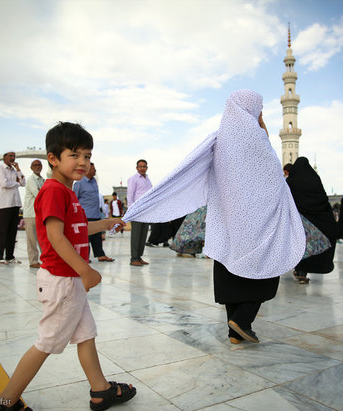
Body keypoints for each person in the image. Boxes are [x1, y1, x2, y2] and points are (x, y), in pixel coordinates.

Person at [122, 90, 306, 344]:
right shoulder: (258, 140)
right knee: (264, 270)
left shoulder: (220, 140)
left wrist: (141, 207)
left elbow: (186, 169)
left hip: (228, 223)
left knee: (231, 272)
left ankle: (235, 331)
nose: (261, 113)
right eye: (259, 108)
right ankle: (242, 321)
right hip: (258, 225)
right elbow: (275, 178)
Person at [0, 121, 135, 411]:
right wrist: (84, 270)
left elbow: (75, 229)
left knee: (85, 335)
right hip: (63, 281)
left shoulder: (67, 192)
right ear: (53, 158)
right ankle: (5, 402)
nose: (83, 162)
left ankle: (100, 390)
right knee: (46, 343)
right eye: (74, 155)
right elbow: (55, 237)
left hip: (69, 282)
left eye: (87, 156)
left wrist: (105, 224)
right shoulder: (54, 190)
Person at [286, 157, 338, 284]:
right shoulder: (315, 179)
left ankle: (300, 270)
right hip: (316, 220)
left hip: (299, 221)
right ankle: (303, 271)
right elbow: (323, 199)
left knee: (300, 246)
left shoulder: (292, 181)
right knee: (310, 246)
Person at [73, 163, 115, 262]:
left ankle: (100, 255)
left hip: (96, 214)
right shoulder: (79, 183)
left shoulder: (94, 181)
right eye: (93, 168)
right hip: (85, 215)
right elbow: (74, 199)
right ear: (87, 169)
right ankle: (85, 257)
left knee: (97, 237)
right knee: (85, 238)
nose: (95, 170)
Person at [0, 151, 26, 264]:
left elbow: (23, 182)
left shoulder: (14, 170)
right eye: (10, 156)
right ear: (4, 157)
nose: (12, 158)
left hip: (15, 203)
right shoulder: (0, 169)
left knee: (12, 231)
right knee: (2, 231)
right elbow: (4, 184)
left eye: (14, 156)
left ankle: (9, 256)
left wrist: (18, 169)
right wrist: (16, 183)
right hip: (4, 204)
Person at [127, 159, 152, 266]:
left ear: (147, 168)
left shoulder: (148, 179)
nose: (142, 168)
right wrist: (130, 210)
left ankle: (139, 256)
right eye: (140, 166)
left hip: (145, 211)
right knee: (136, 235)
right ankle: (134, 258)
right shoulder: (133, 179)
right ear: (137, 168)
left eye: (144, 166)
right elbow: (130, 194)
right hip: (136, 210)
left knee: (143, 235)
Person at [23, 160, 45, 268]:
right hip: (30, 214)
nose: (37, 167)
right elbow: (39, 194)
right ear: (31, 167)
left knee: (42, 238)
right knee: (31, 239)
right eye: (35, 165)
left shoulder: (43, 180)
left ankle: (45, 259)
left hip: (40, 214)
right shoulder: (31, 180)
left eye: (39, 165)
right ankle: (33, 261)